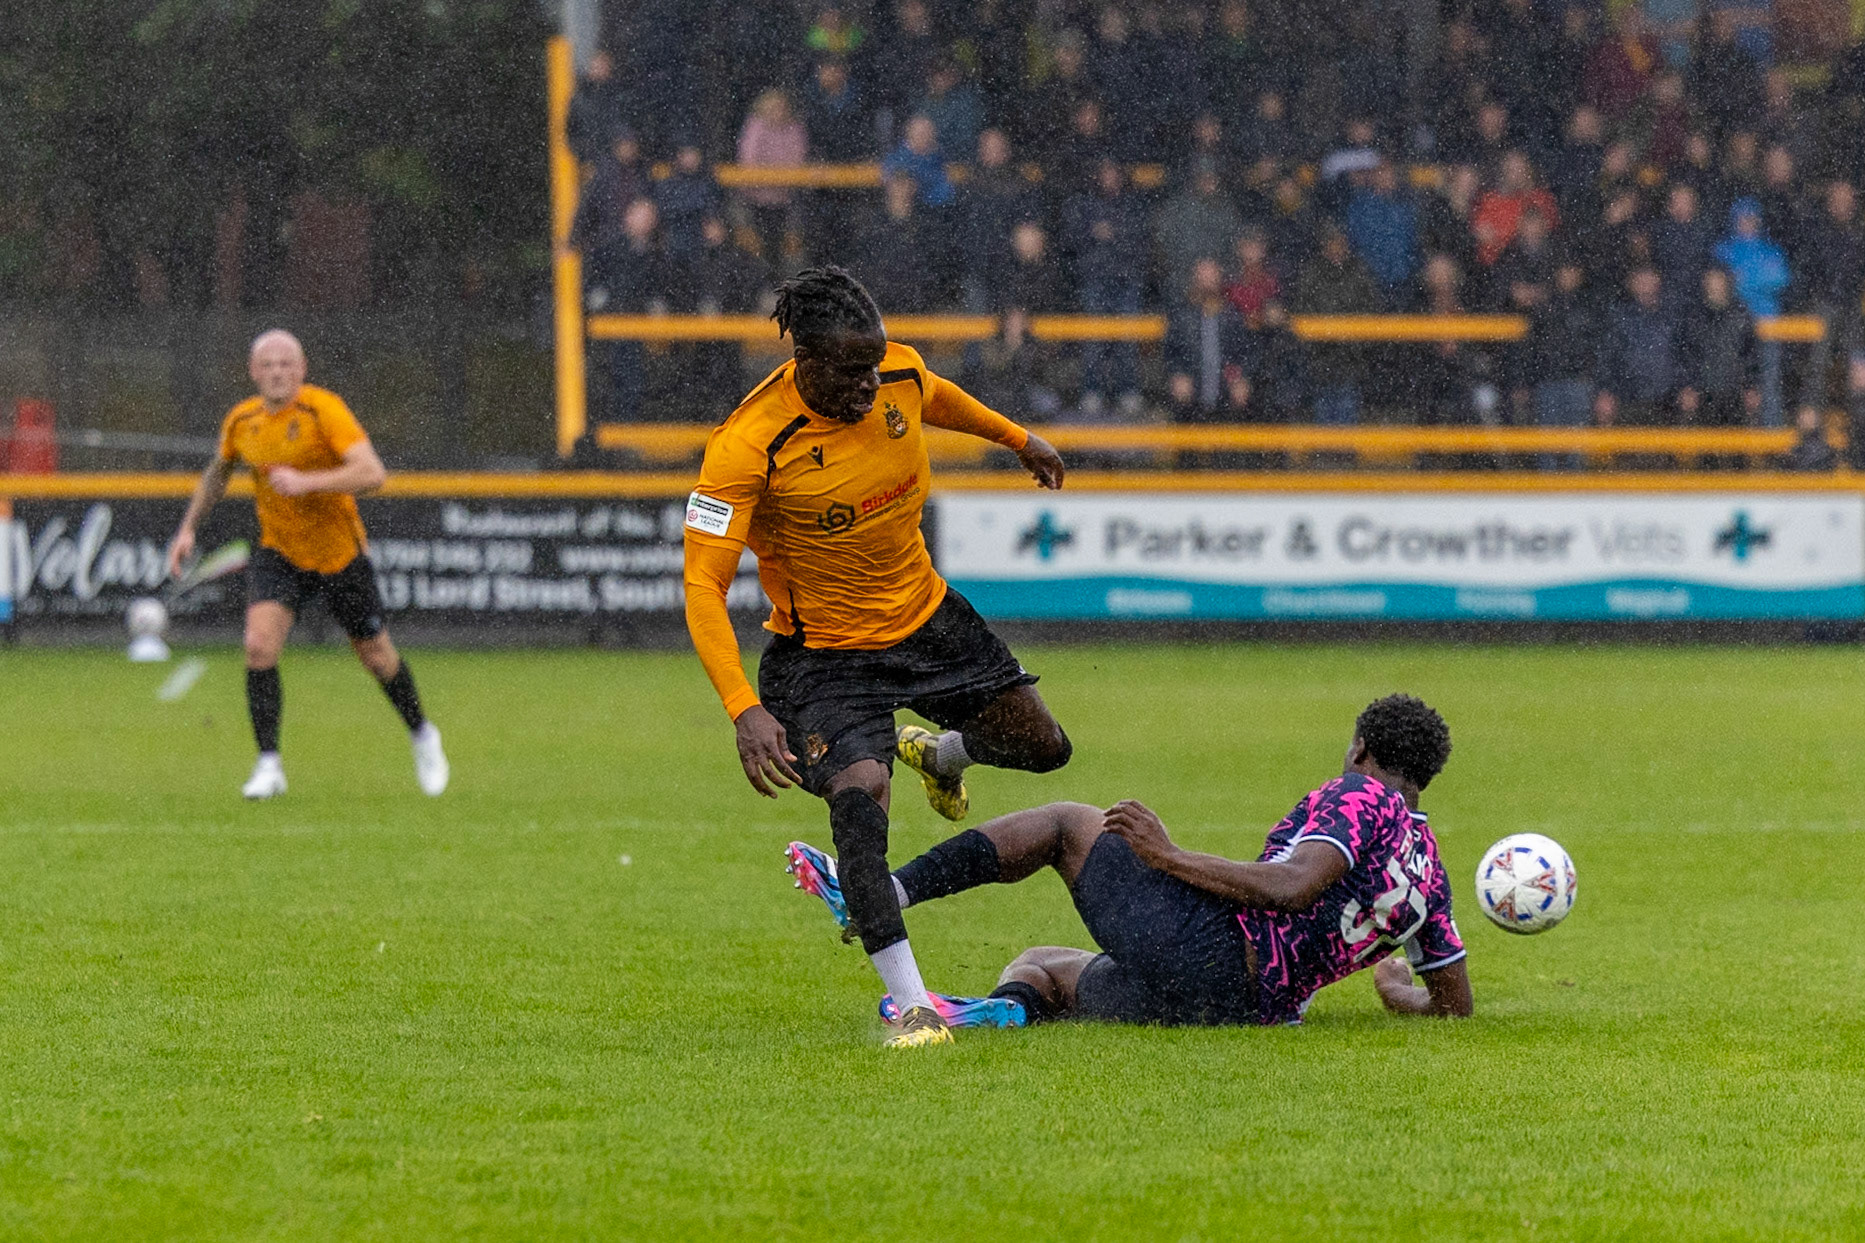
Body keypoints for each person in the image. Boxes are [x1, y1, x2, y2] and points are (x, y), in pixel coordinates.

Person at [684, 267, 1071, 1049]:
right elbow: (701, 583)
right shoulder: (746, 445)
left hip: (926, 620)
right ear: (804, 361)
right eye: (850, 372)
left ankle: (941, 754)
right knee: (859, 800)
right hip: (823, 657)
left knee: (1045, 747)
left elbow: (938, 394)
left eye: (874, 367)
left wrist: (1016, 438)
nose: (870, 385)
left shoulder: (897, 368)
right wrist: (743, 709)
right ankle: (910, 1004)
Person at [785, 694, 1471, 1029]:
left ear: (1359, 749)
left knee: (1066, 824)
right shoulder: (1430, 871)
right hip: (1245, 1009)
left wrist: (1166, 856)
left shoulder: (1361, 795)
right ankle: (997, 1011)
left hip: (1213, 953)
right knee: (1045, 965)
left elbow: (1294, 887)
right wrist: (1400, 994)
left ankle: (883, 892)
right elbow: (1454, 1002)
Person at [164, 331, 448, 801]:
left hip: (339, 554)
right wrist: (188, 528)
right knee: (258, 647)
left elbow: (373, 473)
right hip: (280, 552)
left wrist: (308, 481)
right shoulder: (242, 420)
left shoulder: (324, 410)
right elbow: (219, 470)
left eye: (286, 364)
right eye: (268, 365)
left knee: (377, 658)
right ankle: (269, 765)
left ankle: (422, 734)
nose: (277, 372)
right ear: (254, 373)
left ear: (302, 370)